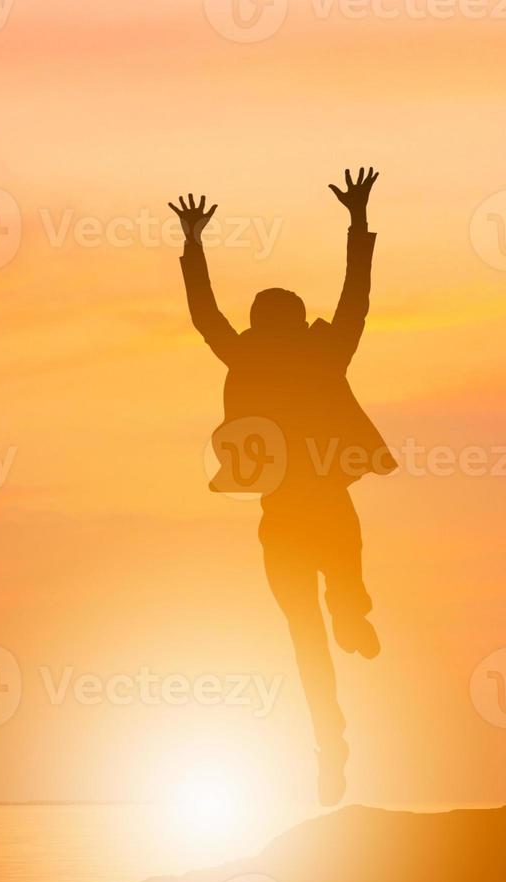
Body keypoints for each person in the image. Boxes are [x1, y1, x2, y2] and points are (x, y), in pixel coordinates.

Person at [170, 169, 394, 805]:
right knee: (328, 602)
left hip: (286, 518)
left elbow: (206, 317)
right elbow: (356, 299)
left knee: (308, 637)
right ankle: (351, 621)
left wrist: (193, 241)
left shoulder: (252, 357)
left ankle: (333, 732)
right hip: (319, 508)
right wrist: (355, 222)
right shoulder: (323, 354)